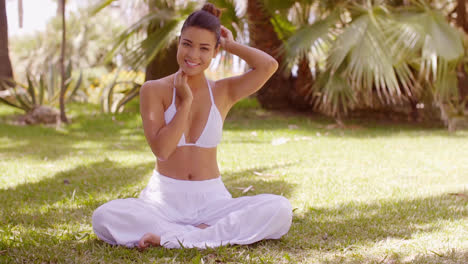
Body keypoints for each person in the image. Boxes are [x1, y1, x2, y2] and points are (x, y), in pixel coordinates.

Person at [92, 2, 292, 249]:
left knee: (280, 208)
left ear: (215, 52)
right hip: (161, 202)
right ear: (179, 42)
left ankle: (172, 237)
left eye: (204, 48)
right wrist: (184, 102)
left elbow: (268, 66)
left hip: (213, 201)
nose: (193, 55)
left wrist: (229, 44)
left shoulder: (223, 91)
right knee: (103, 216)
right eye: (187, 44)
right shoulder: (153, 90)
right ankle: (198, 235)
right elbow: (162, 150)